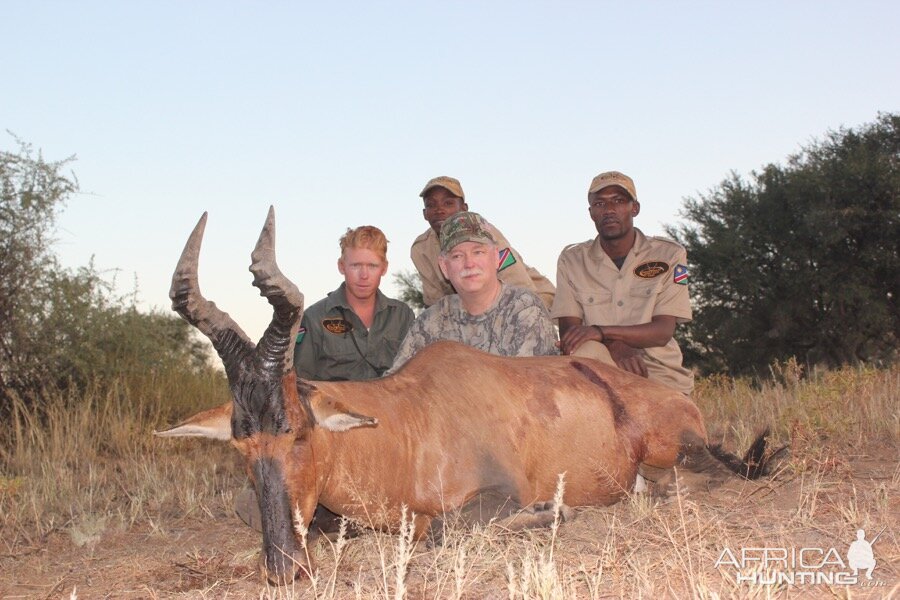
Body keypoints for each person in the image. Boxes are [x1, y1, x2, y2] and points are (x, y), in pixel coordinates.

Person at [552, 171, 694, 396]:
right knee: (584, 350)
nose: (609, 210)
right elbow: (570, 332)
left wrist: (601, 332)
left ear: (634, 208)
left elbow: (663, 331)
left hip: (656, 372)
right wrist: (614, 345)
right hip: (600, 370)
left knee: (672, 425)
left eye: (618, 201)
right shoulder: (572, 260)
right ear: (591, 213)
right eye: (600, 203)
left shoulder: (671, 255)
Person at [390, 211, 558, 372]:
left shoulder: (525, 310)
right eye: (457, 256)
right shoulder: (432, 320)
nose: (469, 264)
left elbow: (525, 388)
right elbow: (396, 383)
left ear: (495, 258)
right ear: (444, 266)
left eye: (478, 252)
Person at [411, 175, 556, 309]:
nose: (439, 210)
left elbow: (520, 285)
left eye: (448, 203)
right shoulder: (421, 249)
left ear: (464, 209)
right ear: (424, 214)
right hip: (472, 311)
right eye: (431, 205)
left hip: (531, 299)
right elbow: (436, 303)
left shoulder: (486, 235)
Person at [294, 225, 414, 381]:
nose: (364, 275)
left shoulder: (402, 316)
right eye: (355, 265)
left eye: (372, 266)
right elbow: (299, 383)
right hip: (332, 405)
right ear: (341, 266)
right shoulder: (314, 318)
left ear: (384, 268)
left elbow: (416, 378)